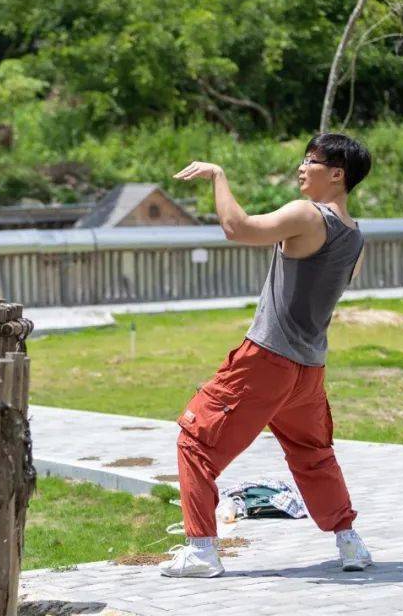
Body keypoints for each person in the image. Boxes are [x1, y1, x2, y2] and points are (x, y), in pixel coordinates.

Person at [159, 132, 373, 578]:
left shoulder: (306, 215)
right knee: (313, 454)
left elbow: (237, 228)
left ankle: (201, 550)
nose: (301, 167)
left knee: (195, 442)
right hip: (309, 368)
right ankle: (350, 544)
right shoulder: (356, 238)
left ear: (338, 175)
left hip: (267, 359)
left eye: (311, 161)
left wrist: (218, 176)